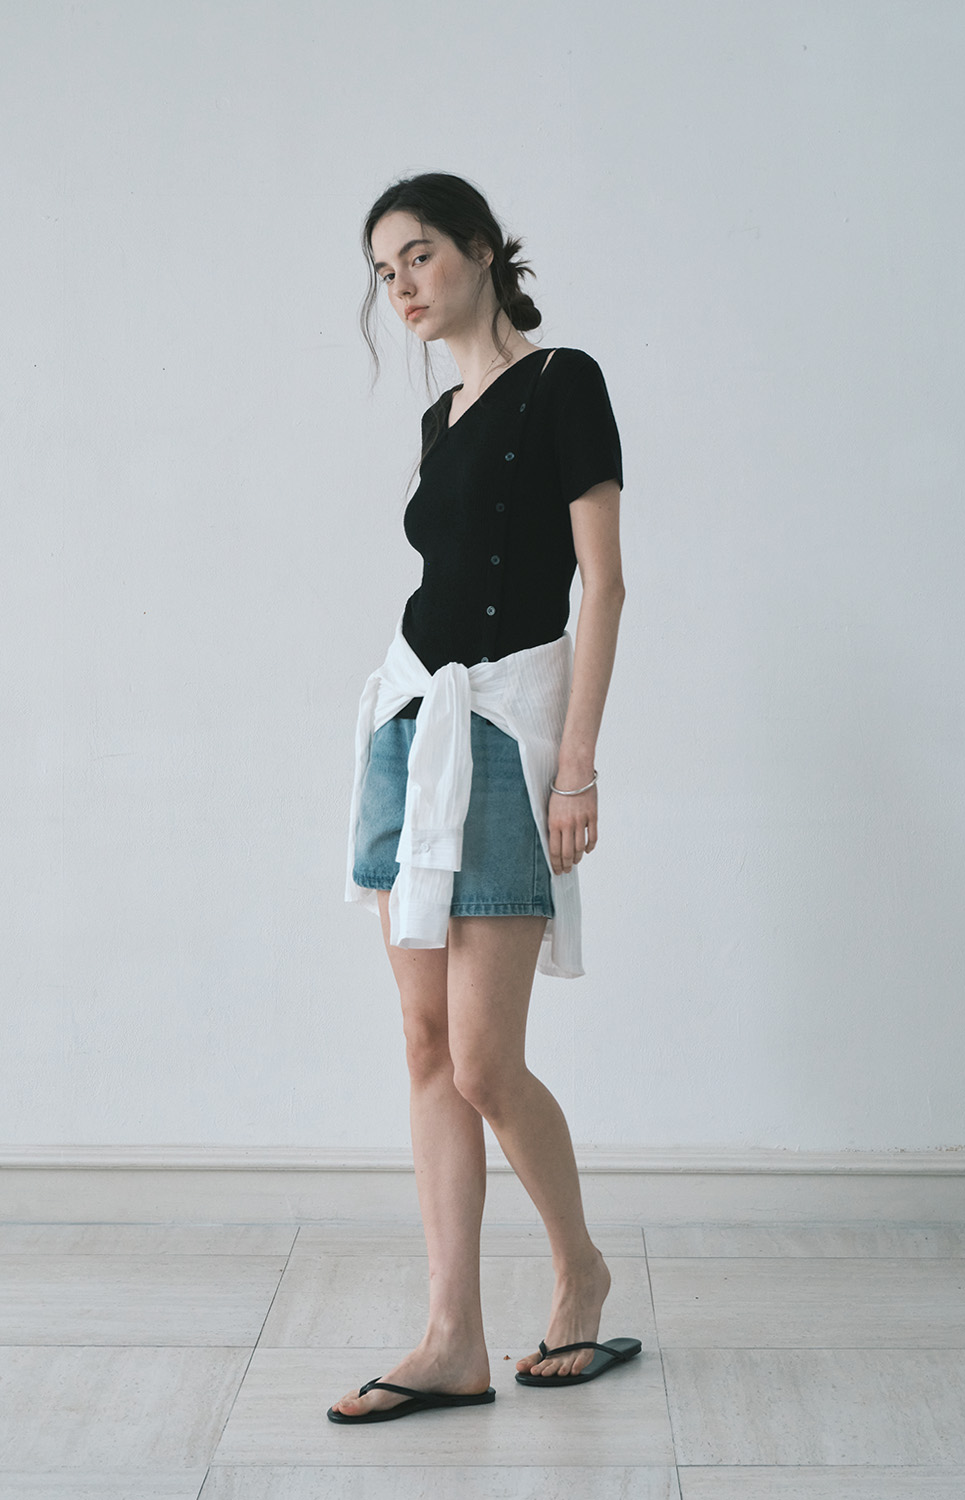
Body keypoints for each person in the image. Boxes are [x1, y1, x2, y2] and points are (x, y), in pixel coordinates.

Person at [328, 172, 637, 1425]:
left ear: (478, 249)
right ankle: (451, 1336)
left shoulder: (563, 382)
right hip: (411, 729)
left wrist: (577, 762)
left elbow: (603, 585)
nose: (399, 285)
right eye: (382, 271)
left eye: (416, 256)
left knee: (486, 1060)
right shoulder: (439, 417)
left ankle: (580, 1272)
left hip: (506, 736)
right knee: (424, 1048)